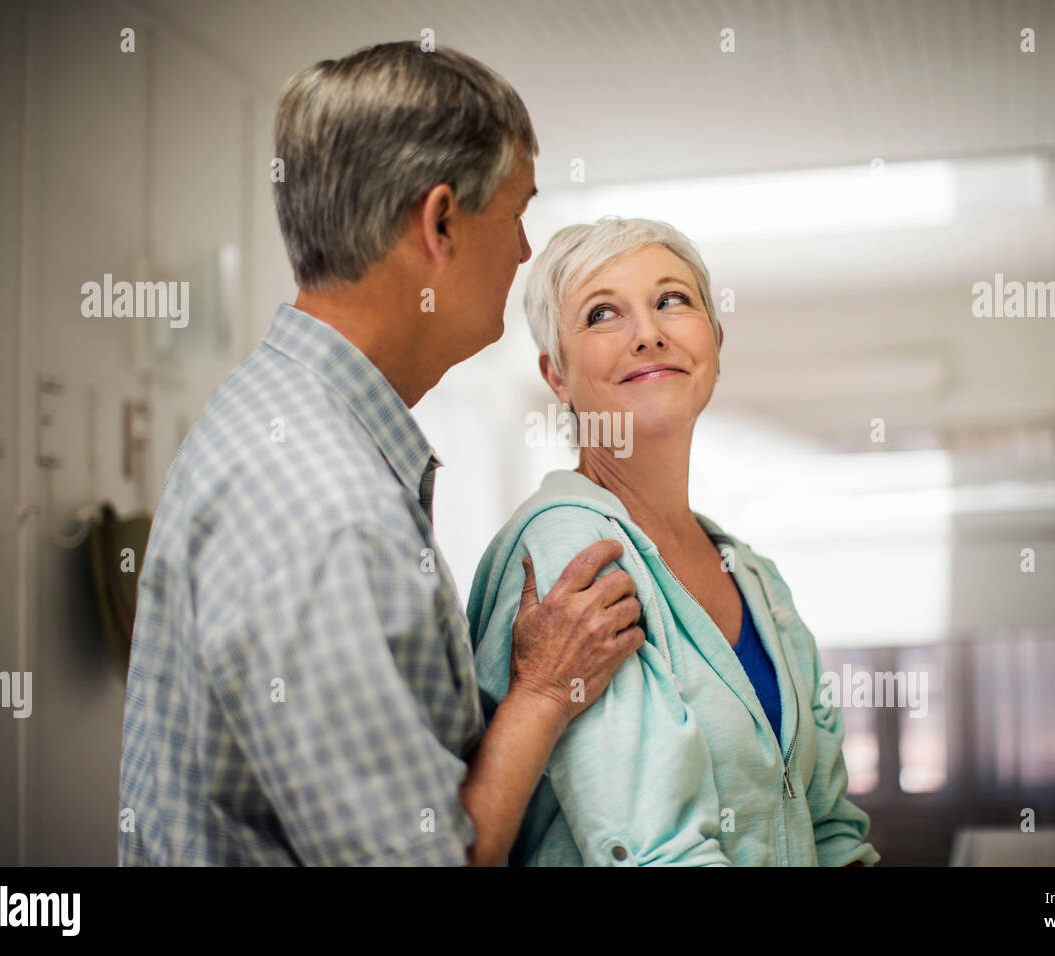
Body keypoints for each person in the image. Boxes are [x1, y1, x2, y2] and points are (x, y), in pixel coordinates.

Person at [118, 42, 645, 866]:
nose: (523, 252)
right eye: (514, 215)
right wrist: (541, 694)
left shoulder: (280, 416)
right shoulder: (320, 502)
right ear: (438, 224)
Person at [468, 217, 881, 866]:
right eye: (603, 314)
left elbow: (827, 827)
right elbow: (656, 851)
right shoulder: (570, 550)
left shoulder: (755, 577)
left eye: (672, 300)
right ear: (556, 374)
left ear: (714, 340)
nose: (649, 333)